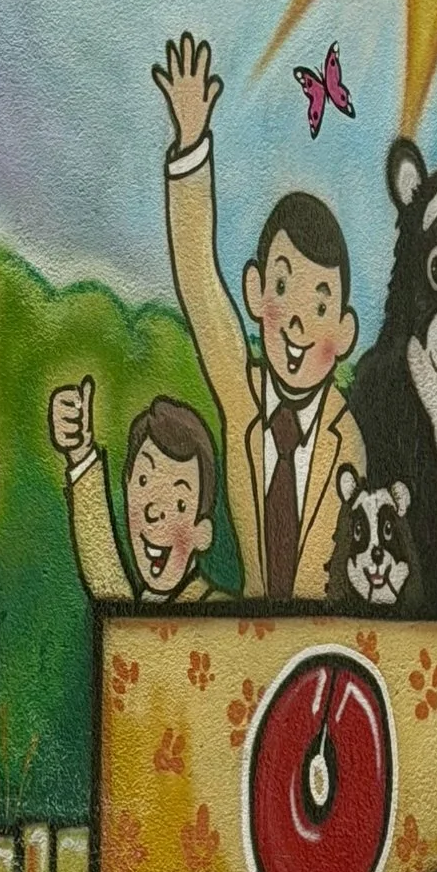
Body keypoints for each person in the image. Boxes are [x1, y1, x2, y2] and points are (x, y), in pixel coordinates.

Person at [152, 32, 362, 602]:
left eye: (319, 305)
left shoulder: (349, 439)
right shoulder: (243, 398)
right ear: (253, 291)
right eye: (282, 290)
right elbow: (197, 282)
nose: (296, 324)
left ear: (344, 332)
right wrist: (191, 144)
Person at [48, 378, 218, 604]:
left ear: (202, 534)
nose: (153, 510)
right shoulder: (144, 605)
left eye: (179, 502)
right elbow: (108, 580)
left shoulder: (215, 615)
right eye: (143, 481)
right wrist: (80, 454)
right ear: (127, 489)